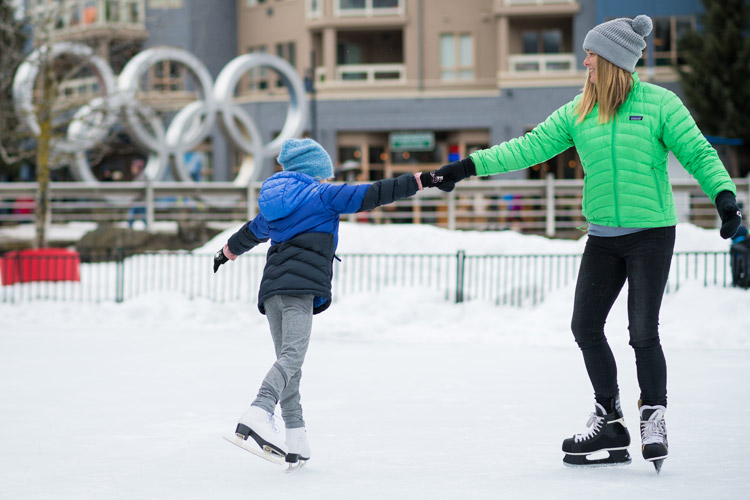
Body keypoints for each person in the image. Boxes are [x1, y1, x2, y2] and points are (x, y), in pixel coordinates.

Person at [423, 15, 742, 473]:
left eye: (592, 54)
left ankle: (653, 414)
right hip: (603, 237)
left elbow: (698, 152)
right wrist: (465, 167)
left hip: (651, 233)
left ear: (613, 59)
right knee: (584, 326)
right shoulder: (579, 111)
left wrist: (724, 198)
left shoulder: (659, 104)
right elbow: (526, 147)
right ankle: (610, 418)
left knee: (642, 330)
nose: (585, 60)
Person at [212, 137, 450, 467]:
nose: (327, 180)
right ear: (314, 172)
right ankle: (259, 410)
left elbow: (252, 232)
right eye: (324, 174)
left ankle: (296, 437)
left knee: (288, 364)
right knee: (293, 357)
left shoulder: (274, 204)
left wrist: (227, 252)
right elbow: (373, 193)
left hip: (272, 291)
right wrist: (419, 181)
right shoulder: (322, 195)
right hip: (299, 290)